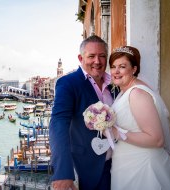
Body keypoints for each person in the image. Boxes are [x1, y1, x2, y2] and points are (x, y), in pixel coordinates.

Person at [109, 46, 170, 190]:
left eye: (122, 67)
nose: (116, 71)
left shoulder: (137, 94)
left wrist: (117, 133)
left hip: (143, 167)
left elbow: (157, 139)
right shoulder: (125, 92)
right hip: (127, 163)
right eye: (113, 67)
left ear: (134, 69)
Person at [50, 35, 117, 190]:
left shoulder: (115, 84)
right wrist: (63, 173)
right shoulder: (68, 83)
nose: (97, 61)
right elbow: (58, 124)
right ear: (81, 58)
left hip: (119, 165)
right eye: (91, 56)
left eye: (102, 56)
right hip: (86, 168)